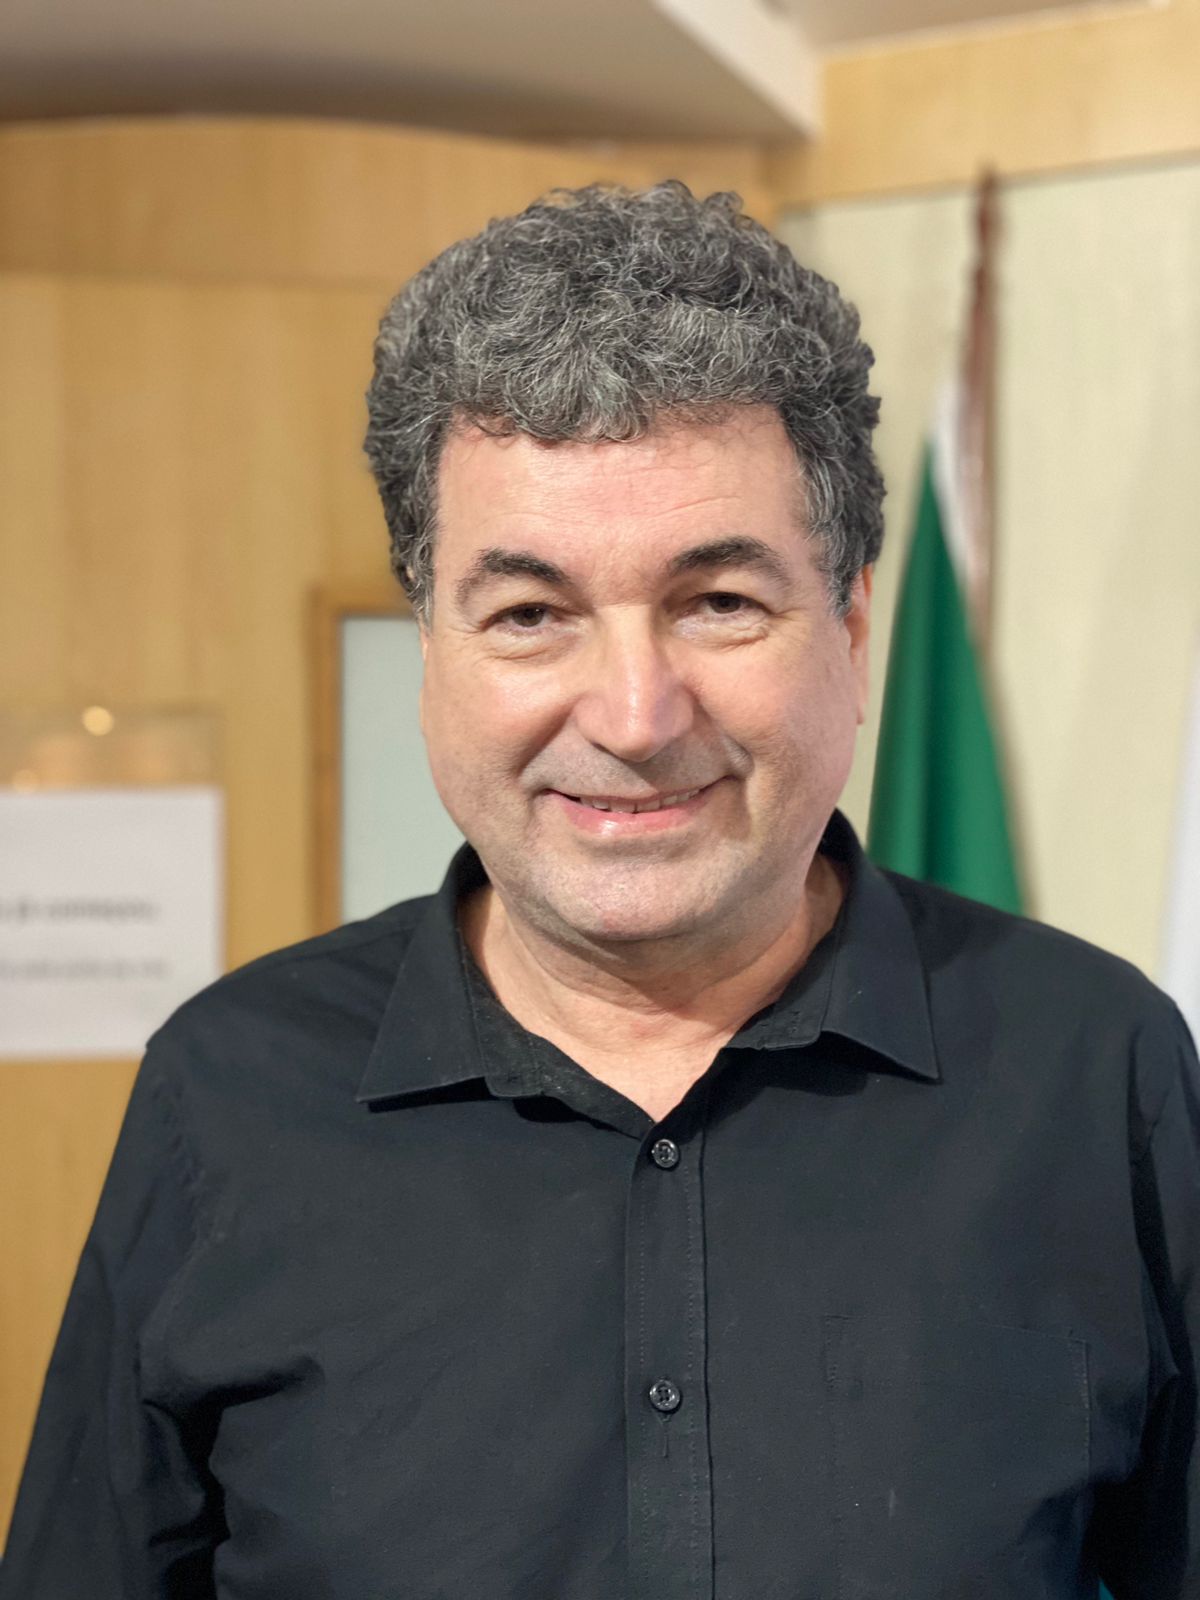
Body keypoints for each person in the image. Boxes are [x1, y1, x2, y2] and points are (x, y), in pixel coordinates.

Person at [1, 180, 1197, 1600]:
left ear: (853, 632)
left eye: (719, 602)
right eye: (530, 614)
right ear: (432, 657)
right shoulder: (226, 1093)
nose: (633, 716)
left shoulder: (1095, 1070)